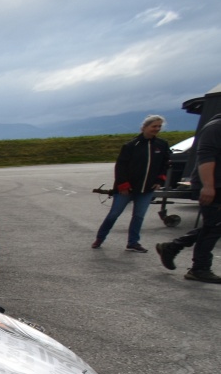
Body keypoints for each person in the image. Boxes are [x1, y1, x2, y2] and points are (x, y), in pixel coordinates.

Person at [157, 114, 221, 283]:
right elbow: (206, 157)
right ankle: (199, 268)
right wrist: (208, 186)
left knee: (214, 226)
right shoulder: (215, 127)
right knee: (213, 227)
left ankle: (172, 247)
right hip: (213, 185)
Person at [92, 115, 170, 252]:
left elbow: (165, 164)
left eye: (159, 126)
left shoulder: (162, 145)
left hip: (147, 189)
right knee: (114, 214)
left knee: (138, 216)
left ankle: (133, 242)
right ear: (144, 127)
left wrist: (160, 180)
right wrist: (123, 185)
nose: (157, 129)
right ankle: (100, 238)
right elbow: (120, 166)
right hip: (126, 189)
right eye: (154, 126)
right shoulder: (132, 145)